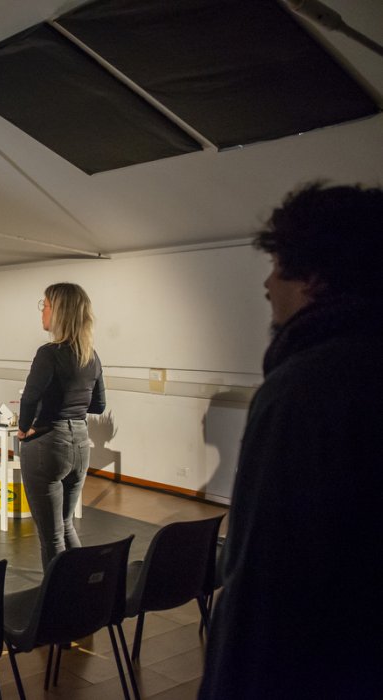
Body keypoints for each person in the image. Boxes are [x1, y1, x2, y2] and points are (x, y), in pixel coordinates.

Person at [199, 183, 383, 699]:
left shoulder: (305, 389)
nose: (267, 284)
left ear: (315, 277)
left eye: (279, 265)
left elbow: (268, 582)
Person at [16, 282, 105, 568]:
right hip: (80, 444)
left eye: (45, 305)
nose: (42, 311)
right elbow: (98, 405)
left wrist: (23, 429)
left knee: (51, 537)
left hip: (49, 445)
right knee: (66, 525)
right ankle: (82, 585)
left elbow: (29, 398)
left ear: (59, 311)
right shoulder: (91, 356)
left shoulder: (49, 353)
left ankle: (58, 594)